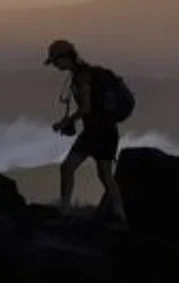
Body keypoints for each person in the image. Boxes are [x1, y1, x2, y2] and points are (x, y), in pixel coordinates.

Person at [45, 38, 128, 225]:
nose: (55, 65)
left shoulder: (82, 77)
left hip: (97, 132)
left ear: (66, 58)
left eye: (56, 61)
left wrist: (65, 122)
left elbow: (86, 108)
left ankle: (65, 210)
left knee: (69, 168)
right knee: (105, 175)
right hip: (104, 131)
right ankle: (120, 214)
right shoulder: (84, 74)